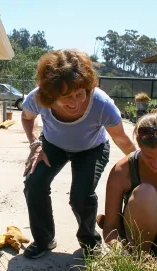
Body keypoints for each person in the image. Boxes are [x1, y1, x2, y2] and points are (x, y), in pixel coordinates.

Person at [21, 49, 136, 259]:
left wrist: (143, 167)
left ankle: (89, 241)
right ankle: (44, 239)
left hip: (92, 148)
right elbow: (27, 118)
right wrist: (35, 144)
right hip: (53, 145)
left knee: (81, 196)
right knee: (34, 183)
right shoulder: (38, 98)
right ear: (50, 95)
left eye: (80, 94)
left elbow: (122, 140)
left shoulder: (102, 104)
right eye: (66, 97)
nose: (75, 103)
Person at [103, 112, 157, 253]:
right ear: (138, 145)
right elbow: (110, 227)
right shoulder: (122, 170)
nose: (156, 164)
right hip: (136, 245)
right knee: (144, 193)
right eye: (148, 156)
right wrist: (120, 252)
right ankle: (140, 259)